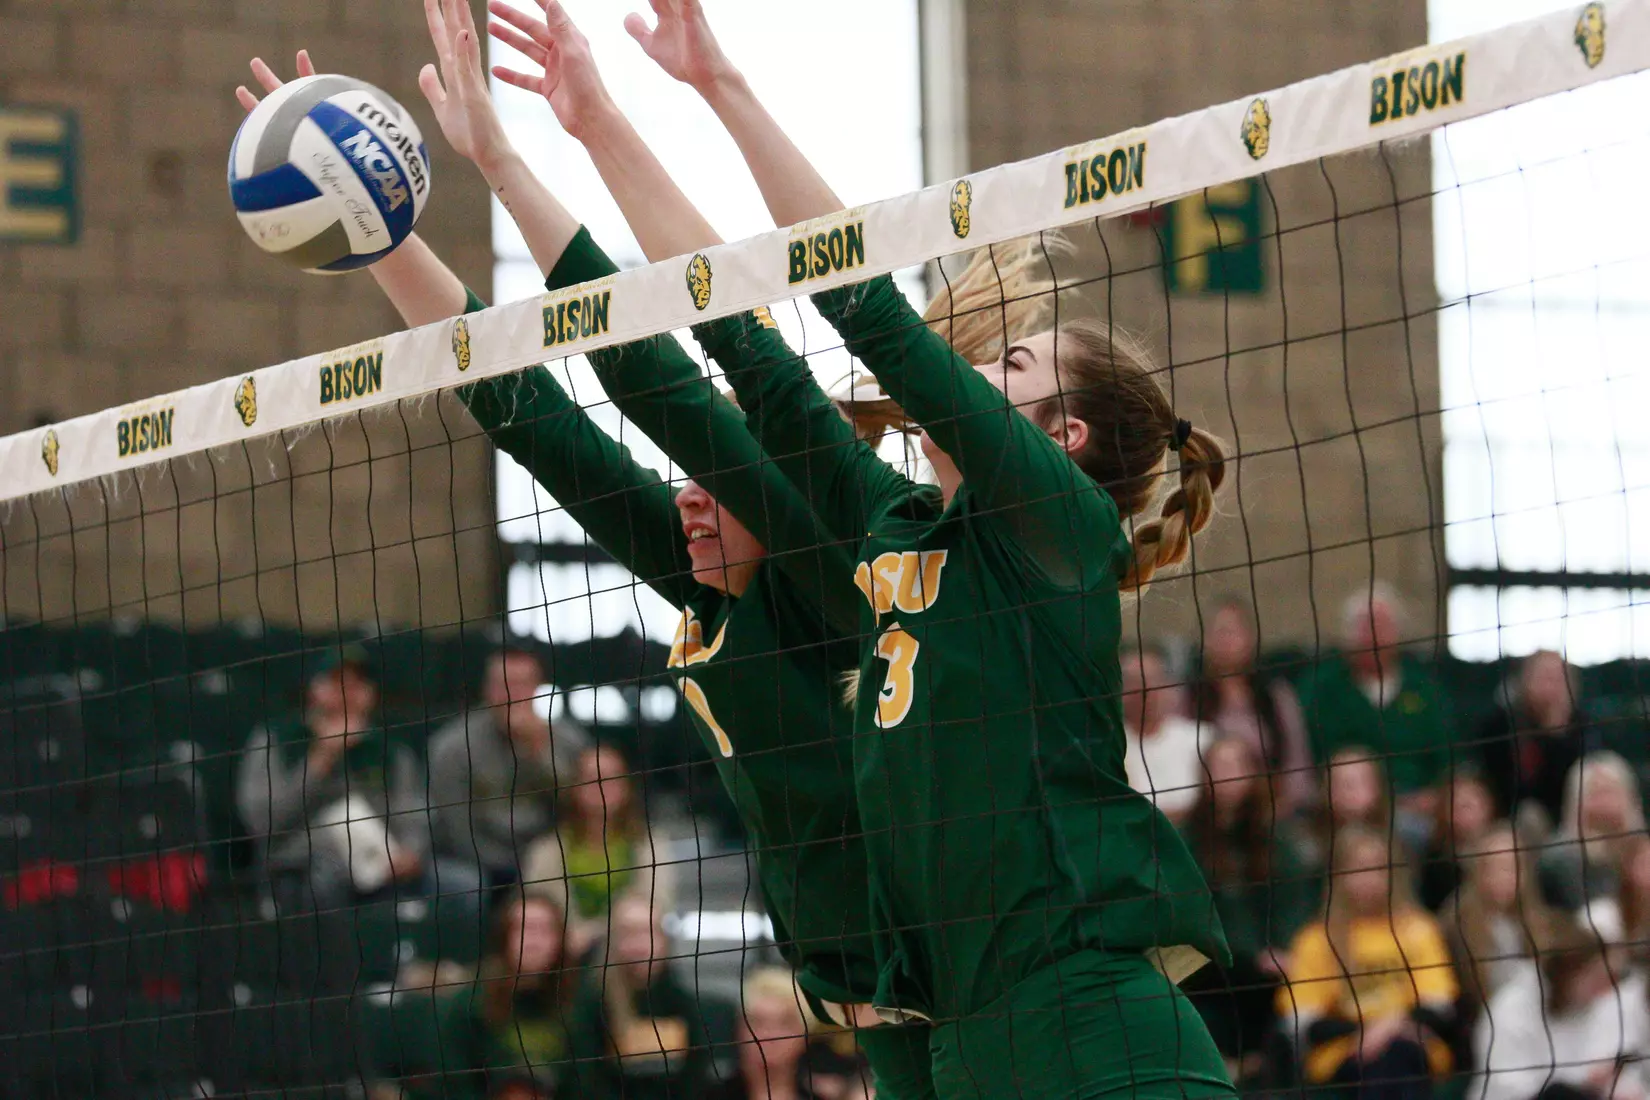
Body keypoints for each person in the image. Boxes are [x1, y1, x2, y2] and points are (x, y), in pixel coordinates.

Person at [538, 3, 1236, 1095]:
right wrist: (600, 123)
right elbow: (737, 341)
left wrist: (725, 89)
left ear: (1064, 438)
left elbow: (867, 304)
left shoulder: (1063, 530)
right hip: (960, 1039)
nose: (976, 373)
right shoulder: (901, 539)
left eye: (1010, 361)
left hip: (1098, 1030)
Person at [240, 12, 936, 1096]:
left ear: (777, 493)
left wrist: (514, 159)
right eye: (693, 490)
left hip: (949, 964)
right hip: (862, 980)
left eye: (719, 485)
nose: (692, 501)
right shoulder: (703, 583)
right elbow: (533, 420)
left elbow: (657, 377)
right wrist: (380, 230)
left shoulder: (840, 584)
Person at [235, 644, 449, 911]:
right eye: (337, 683)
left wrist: (411, 852)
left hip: (383, 865)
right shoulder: (276, 740)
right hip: (301, 866)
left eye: (357, 685)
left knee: (461, 884)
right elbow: (260, 822)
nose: (347, 695)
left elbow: (415, 816)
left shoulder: (391, 752)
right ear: (314, 689)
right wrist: (320, 759)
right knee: (326, 878)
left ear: (371, 694)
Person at [1278, 826, 1460, 1100]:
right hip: (1342, 1056)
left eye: (1378, 868)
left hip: (1414, 1047)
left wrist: (1389, 1028)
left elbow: (1439, 1008)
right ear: (1338, 876)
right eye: (1358, 868)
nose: (1369, 878)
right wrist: (1367, 1034)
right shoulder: (1315, 940)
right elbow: (1304, 1023)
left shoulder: (1419, 929)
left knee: (1397, 1057)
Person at [1178, 736, 1318, 1081]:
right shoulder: (1185, 840)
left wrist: (1280, 947)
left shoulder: (1278, 838)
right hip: (1210, 971)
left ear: (1252, 773)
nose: (1227, 775)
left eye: (1235, 766)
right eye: (1218, 766)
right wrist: (1249, 955)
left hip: (1272, 972)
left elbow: (1295, 901)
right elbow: (1188, 916)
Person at [427, 646, 588, 887]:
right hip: (479, 861)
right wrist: (510, 869)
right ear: (487, 689)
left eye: (523, 684)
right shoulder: (453, 746)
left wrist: (538, 752)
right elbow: (456, 831)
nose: (514, 694)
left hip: (549, 856)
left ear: (538, 687)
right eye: (504, 685)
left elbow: (579, 809)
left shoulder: (568, 740)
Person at [1297, 586, 1454, 825]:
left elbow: (1448, 759)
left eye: (1382, 625)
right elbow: (1308, 757)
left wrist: (1435, 796)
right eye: (1364, 625)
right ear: (1347, 634)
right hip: (1342, 810)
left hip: (1417, 809)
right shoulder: (1321, 687)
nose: (1373, 635)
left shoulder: (1424, 688)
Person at [405, 891, 580, 1100]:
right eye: (522, 929)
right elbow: (454, 1083)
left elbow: (588, 1079)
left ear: (561, 939)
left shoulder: (580, 999)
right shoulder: (469, 1002)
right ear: (504, 937)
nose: (533, 941)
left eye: (545, 930)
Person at [1474, 916, 1650, 1100]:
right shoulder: (1510, 1011)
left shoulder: (1588, 1007)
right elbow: (1509, 1089)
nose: (1604, 990)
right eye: (1598, 979)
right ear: (1570, 973)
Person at [522, 742, 673, 955]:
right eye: (591, 778)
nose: (602, 785)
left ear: (626, 787)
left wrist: (595, 933)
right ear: (574, 787)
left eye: (612, 777)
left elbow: (656, 907)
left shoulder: (650, 846)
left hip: (626, 953)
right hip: (562, 956)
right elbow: (538, 912)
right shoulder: (545, 851)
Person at [569, 894, 712, 1100]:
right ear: (614, 942)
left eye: (649, 931)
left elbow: (696, 1075)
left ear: (664, 940)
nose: (640, 943)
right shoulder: (594, 1001)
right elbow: (584, 1080)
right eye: (629, 933)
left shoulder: (680, 1000)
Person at [1193, 597, 1314, 816]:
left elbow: (1298, 768)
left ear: (1250, 639)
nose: (1225, 641)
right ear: (1205, 641)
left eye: (1233, 632)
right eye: (1219, 632)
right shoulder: (1188, 698)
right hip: (1205, 818)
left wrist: (1279, 810)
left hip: (1272, 814)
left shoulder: (1276, 697)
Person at [1437, 823, 1554, 1025]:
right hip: (1482, 1023)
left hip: (1532, 1020)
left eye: (1512, 868)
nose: (1504, 877)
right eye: (1495, 868)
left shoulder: (1539, 921)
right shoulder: (1456, 920)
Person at [1474, 650, 1591, 832]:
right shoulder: (1501, 724)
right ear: (1525, 680)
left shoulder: (1583, 724)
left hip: (1571, 821)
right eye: (1544, 677)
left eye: (1558, 679)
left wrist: (1557, 734)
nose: (1550, 687)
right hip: (1510, 822)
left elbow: (1579, 781)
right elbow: (1505, 787)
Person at [1539, 751, 1646, 912]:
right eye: (1596, 794)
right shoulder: (1558, 861)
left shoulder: (1643, 851)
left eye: (1611, 792)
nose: (1605, 805)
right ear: (1576, 803)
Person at [1122, 646, 1215, 824]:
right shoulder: (1110, 747)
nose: (1143, 690)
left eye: (1151, 680)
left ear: (1168, 685)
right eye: (1133, 682)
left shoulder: (1201, 738)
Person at [700, 966, 819, 1100]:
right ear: (740, 1030)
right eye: (757, 1022)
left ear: (805, 1037)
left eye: (784, 1024)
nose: (769, 1035)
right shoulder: (704, 1094)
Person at [1298, 746, 1393, 873]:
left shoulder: (1407, 838)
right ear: (1324, 791)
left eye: (1359, 782)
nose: (1348, 793)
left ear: (1378, 788)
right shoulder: (1306, 851)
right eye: (1339, 783)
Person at [1417, 769, 1499, 911]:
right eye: (1455, 806)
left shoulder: (1507, 845)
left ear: (1488, 805)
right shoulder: (1437, 864)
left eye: (1469, 804)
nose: (1463, 812)